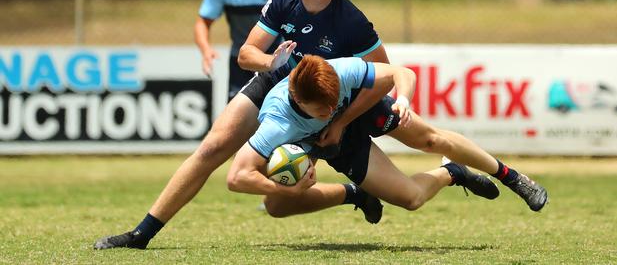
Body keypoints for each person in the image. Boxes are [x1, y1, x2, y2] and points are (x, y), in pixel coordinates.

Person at [94, 0, 391, 250]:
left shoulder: (350, 18)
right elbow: (247, 53)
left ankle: (360, 190)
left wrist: (339, 116)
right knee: (211, 147)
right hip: (275, 83)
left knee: (277, 203)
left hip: (314, 106)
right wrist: (271, 62)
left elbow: (383, 72)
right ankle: (141, 234)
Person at [227, 55, 548, 218]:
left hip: (360, 110)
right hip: (323, 142)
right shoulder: (276, 124)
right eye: (322, 107)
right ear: (298, 100)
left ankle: (514, 178)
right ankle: (451, 173)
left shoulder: (338, 71)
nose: (331, 108)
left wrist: (404, 99)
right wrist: (292, 186)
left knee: (429, 139)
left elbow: (400, 73)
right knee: (277, 205)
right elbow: (237, 177)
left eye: (333, 99)